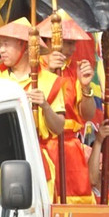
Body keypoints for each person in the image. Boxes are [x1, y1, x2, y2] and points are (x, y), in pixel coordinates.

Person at [0, 18, 67, 198]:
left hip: (34, 160)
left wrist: (45, 106)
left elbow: (59, 127)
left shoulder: (49, 81)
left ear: (24, 46)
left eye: (6, 44)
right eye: (1, 45)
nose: (1, 50)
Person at [38, 12, 98, 203]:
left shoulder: (76, 69)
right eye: (68, 42)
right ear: (49, 41)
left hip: (69, 147)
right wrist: (47, 72)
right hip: (42, 143)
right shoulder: (34, 67)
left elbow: (87, 114)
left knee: (75, 204)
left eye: (74, 43)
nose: (73, 48)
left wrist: (86, 86)